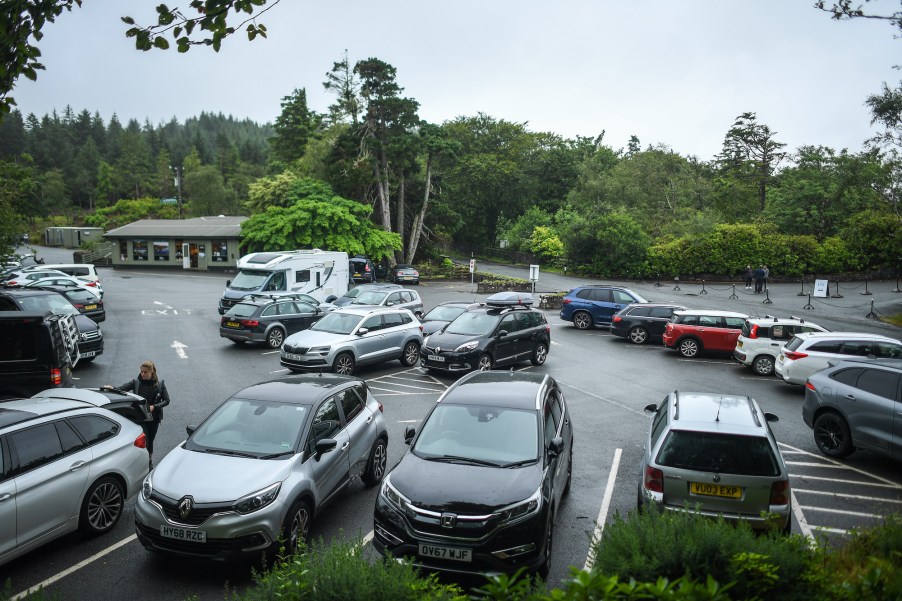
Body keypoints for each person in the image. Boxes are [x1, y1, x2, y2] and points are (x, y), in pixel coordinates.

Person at [108, 361, 170, 468]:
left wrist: (154, 407)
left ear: (152, 372)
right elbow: (121, 389)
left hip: (154, 419)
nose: (143, 374)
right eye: (141, 372)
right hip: (140, 418)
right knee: (145, 441)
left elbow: (167, 400)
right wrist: (111, 388)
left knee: (150, 440)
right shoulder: (135, 382)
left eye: (145, 372)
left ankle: (149, 460)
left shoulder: (160, 385)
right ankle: (143, 463)